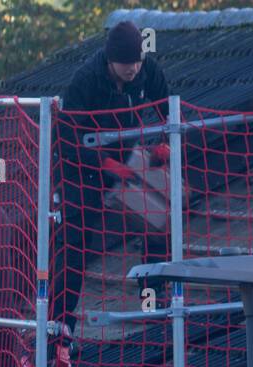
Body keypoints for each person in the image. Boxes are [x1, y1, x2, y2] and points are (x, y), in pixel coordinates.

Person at [51, 19, 172, 336]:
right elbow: (66, 139)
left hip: (125, 156)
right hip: (80, 167)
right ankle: (59, 321)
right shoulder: (86, 81)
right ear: (110, 59)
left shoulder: (148, 71)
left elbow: (169, 111)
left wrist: (166, 144)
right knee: (76, 240)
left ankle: (154, 297)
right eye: (125, 63)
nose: (132, 69)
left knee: (159, 215)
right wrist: (103, 163)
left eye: (136, 61)